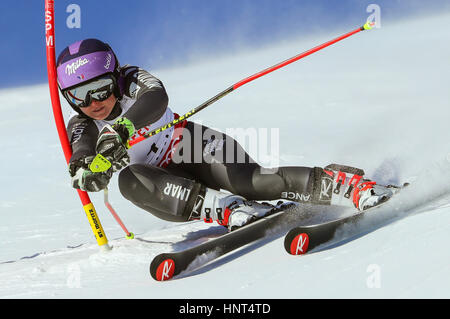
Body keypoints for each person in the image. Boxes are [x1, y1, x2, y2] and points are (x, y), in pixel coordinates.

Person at [56, 38, 395, 231]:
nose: (93, 103)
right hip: (166, 183)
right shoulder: (82, 125)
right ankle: (223, 208)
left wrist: (121, 129)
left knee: (253, 182)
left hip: (190, 146)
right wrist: (87, 170)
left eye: (99, 89)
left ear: (113, 77)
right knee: (128, 179)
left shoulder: (131, 79)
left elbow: (156, 99)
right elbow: (81, 151)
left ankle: (348, 186)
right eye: (79, 96)